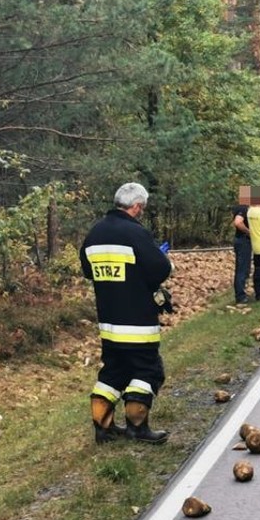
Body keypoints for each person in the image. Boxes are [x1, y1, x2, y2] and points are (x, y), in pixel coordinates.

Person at [80, 183, 173, 444]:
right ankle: (138, 427)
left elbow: (89, 271)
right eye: (142, 208)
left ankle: (103, 427)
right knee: (147, 371)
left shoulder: (95, 233)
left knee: (113, 373)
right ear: (137, 206)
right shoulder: (135, 233)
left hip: (108, 322)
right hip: (137, 322)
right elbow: (159, 269)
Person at [232, 186, 252, 304]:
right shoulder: (243, 208)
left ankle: (241, 293)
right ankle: (240, 296)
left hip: (240, 240)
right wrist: (248, 232)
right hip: (243, 240)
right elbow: (238, 222)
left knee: (244, 268)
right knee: (242, 269)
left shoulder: (238, 207)